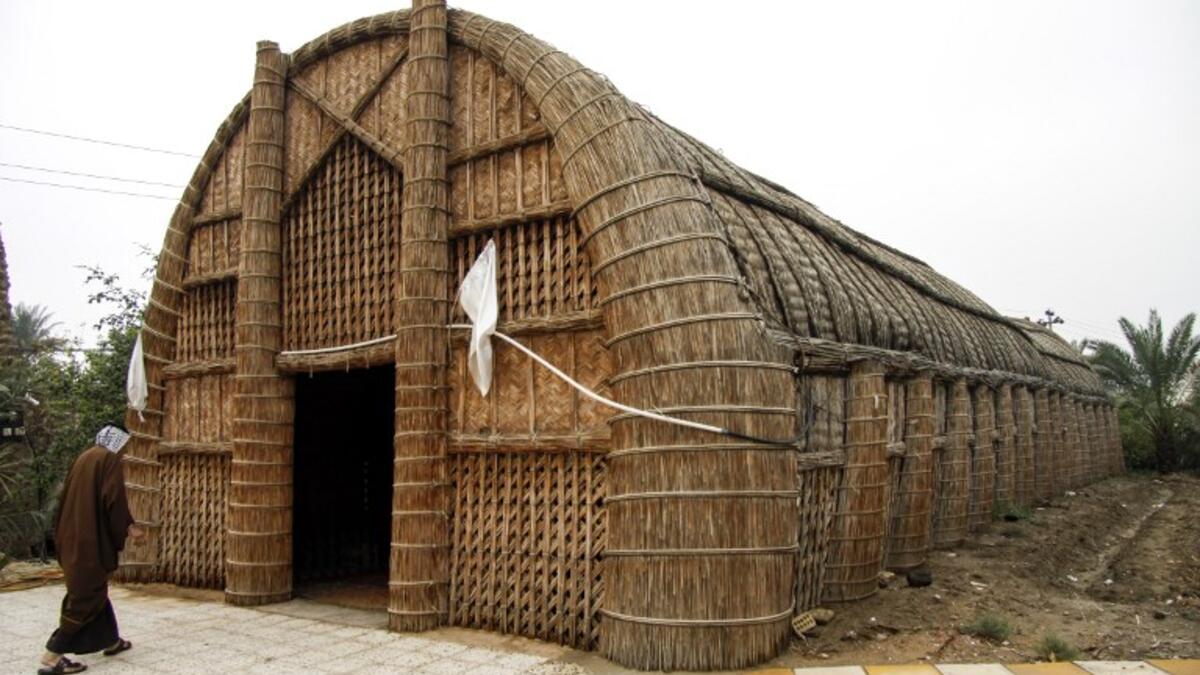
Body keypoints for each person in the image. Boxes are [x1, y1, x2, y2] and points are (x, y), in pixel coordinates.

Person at [38, 424, 144, 675]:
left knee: (95, 590)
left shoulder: (85, 457)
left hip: (72, 536)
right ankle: (52, 656)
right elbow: (113, 499)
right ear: (117, 441)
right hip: (89, 542)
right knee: (85, 597)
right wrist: (129, 527)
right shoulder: (107, 459)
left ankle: (112, 641)